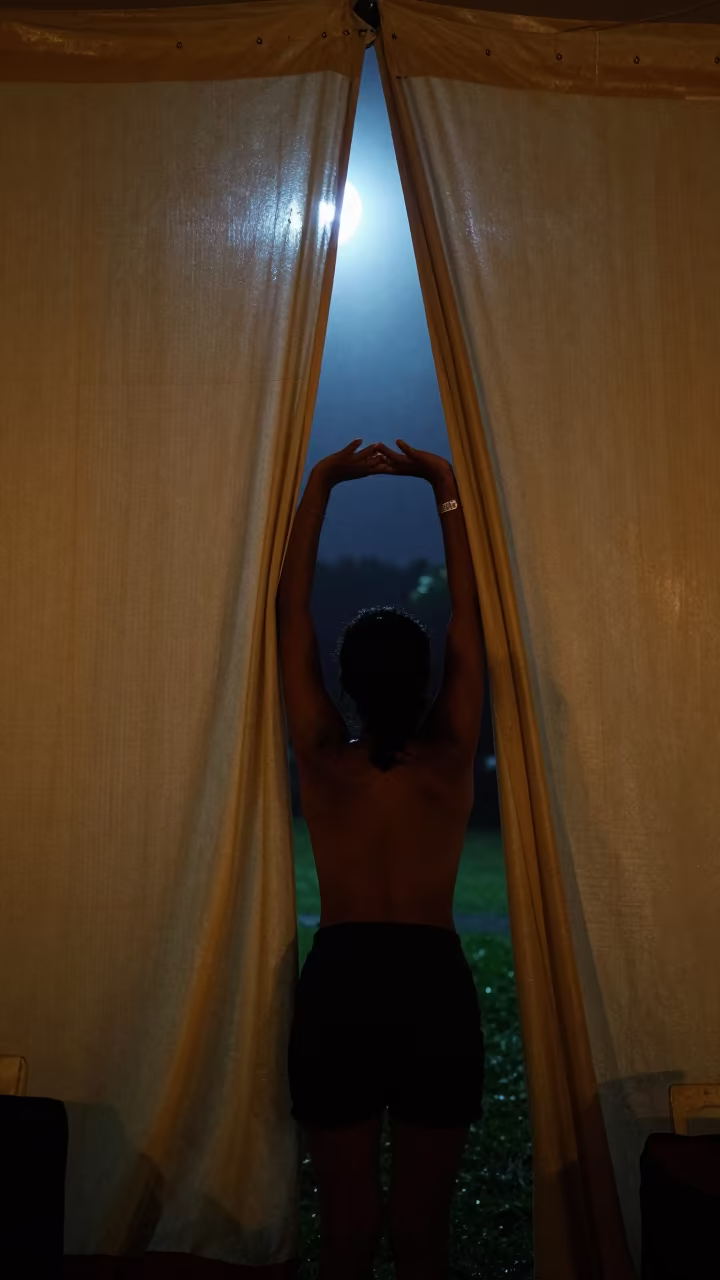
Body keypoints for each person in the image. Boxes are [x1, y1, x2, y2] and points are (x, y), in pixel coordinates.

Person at [276, 439, 486, 1280]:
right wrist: (445, 488)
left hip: (345, 986)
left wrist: (320, 482)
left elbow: (292, 614)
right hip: (432, 985)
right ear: (428, 674)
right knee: (424, 1240)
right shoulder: (450, 756)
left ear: (346, 678)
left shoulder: (326, 761)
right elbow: (471, 619)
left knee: (349, 1237)